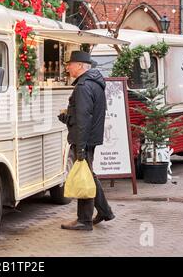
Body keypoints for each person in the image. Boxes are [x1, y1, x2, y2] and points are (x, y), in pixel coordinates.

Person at [58, 50, 115, 231]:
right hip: (90, 138)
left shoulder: (83, 86)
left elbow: (83, 119)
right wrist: (67, 118)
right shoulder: (95, 83)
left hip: (83, 139)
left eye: (71, 64)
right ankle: (105, 212)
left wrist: (80, 147)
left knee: (85, 177)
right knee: (88, 175)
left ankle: (85, 220)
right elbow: (84, 116)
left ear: (81, 66)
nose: (68, 67)